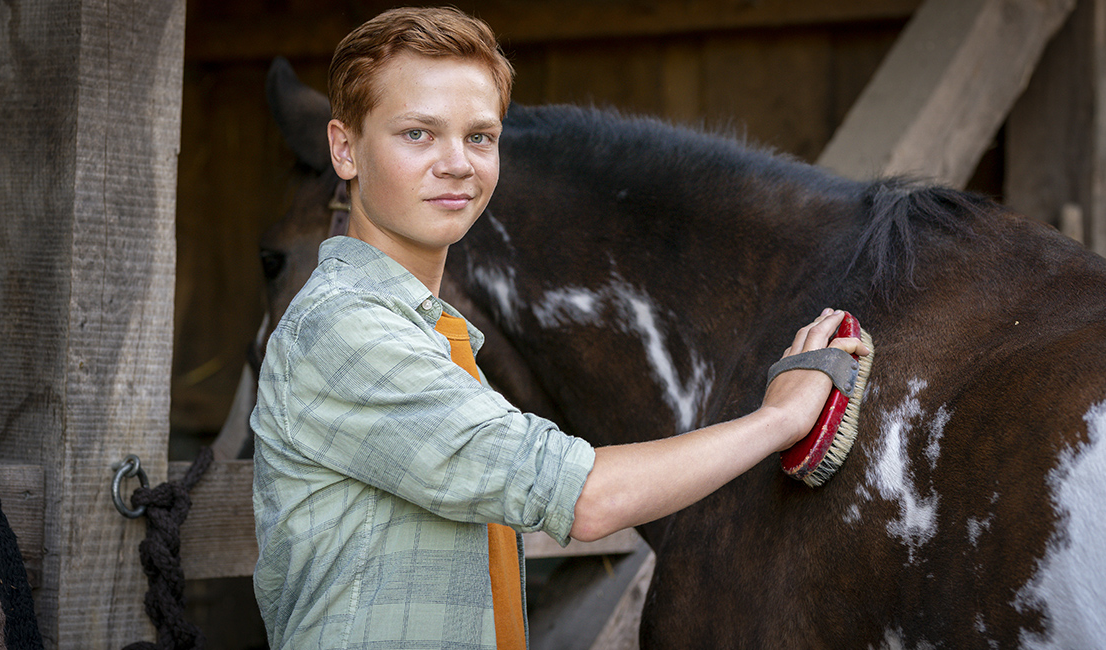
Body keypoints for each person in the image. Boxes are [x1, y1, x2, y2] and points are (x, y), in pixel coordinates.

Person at [251, 6, 871, 649]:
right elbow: (585, 497)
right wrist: (779, 419)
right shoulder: (344, 332)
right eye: (417, 134)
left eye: (481, 136)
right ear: (344, 149)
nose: (458, 163)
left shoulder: (429, 336)